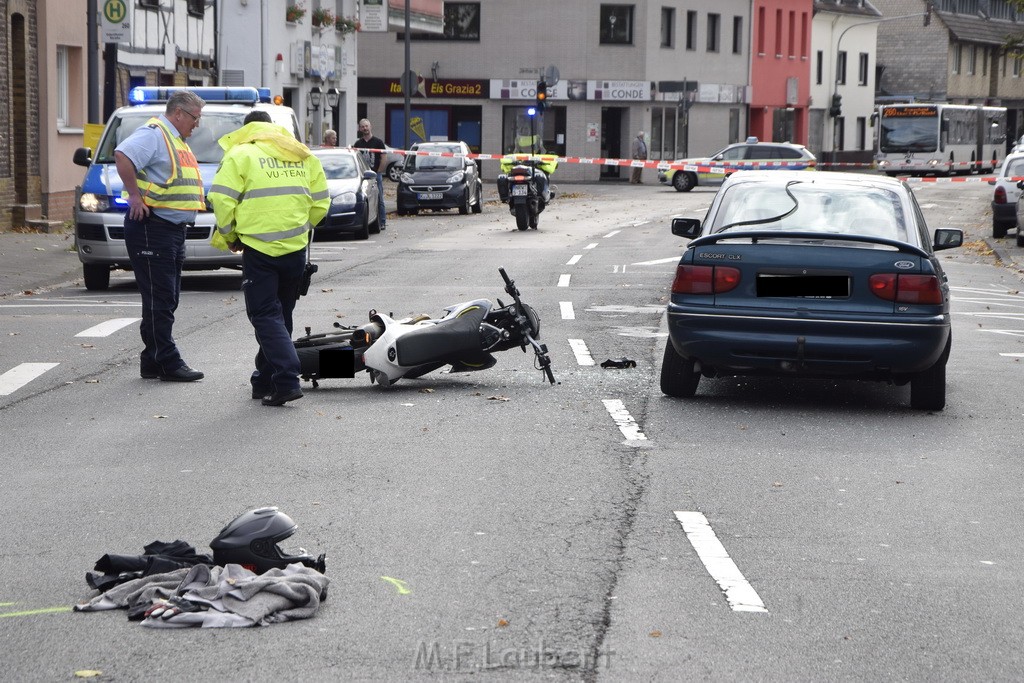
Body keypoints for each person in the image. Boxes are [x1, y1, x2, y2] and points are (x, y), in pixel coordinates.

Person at [208, 111, 329, 406]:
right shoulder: (302, 154)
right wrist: (299, 228)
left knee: (264, 316)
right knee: (280, 317)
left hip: (259, 250)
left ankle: (287, 379)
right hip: (295, 250)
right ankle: (264, 380)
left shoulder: (241, 154)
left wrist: (230, 235)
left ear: (248, 129)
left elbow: (221, 199)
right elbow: (321, 202)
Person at [114, 90, 207, 382]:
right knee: (161, 298)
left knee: (165, 297)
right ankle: (167, 361)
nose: (197, 124)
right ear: (178, 113)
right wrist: (134, 196)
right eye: (194, 118)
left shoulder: (175, 140)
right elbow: (123, 155)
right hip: (152, 227)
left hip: (170, 230)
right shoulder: (155, 134)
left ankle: (152, 360)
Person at [351, 119, 387, 229]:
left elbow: (384, 157)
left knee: (379, 198)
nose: (365, 128)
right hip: (363, 177)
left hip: (376, 175)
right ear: (360, 128)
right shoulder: (358, 144)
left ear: (370, 127)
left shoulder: (378, 142)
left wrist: (378, 172)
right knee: (365, 199)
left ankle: (382, 221)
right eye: (362, 126)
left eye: (366, 126)